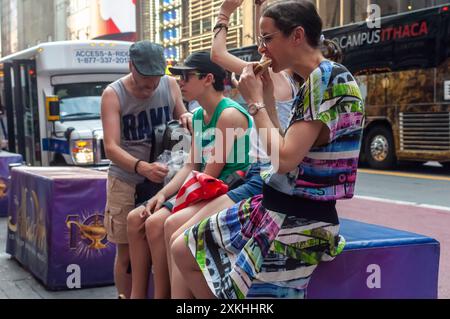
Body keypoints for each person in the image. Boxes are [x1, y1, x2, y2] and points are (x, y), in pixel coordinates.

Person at [172, 0, 365, 299]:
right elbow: (284, 144)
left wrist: (255, 103)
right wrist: (269, 100)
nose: (261, 49)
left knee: (198, 259)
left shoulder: (327, 79)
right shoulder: (315, 80)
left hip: (297, 219)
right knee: (183, 249)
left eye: (267, 39)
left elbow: (284, 160)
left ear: (297, 36)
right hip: (274, 205)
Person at [126, 51, 253, 299]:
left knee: (167, 224)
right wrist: (161, 195)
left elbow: (209, 175)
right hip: (204, 186)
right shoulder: (196, 115)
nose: (180, 82)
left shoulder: (229, 115)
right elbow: (190, 166)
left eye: (186, 76)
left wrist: (172, 203)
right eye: (179, 76)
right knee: (139, 218)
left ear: (208, 78)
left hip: (226, 190)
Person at [101, 40, 191, 299]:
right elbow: (111, 147)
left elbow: (182, 116)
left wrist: (187, 117)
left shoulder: (170, 84)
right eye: (143, 84)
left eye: (154, 83)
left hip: (165, 179)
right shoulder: (113, 94)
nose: (150, 89)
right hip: (126, 180)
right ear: (131, 67)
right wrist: (141, 167)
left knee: (157, 245)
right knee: (127, 254)